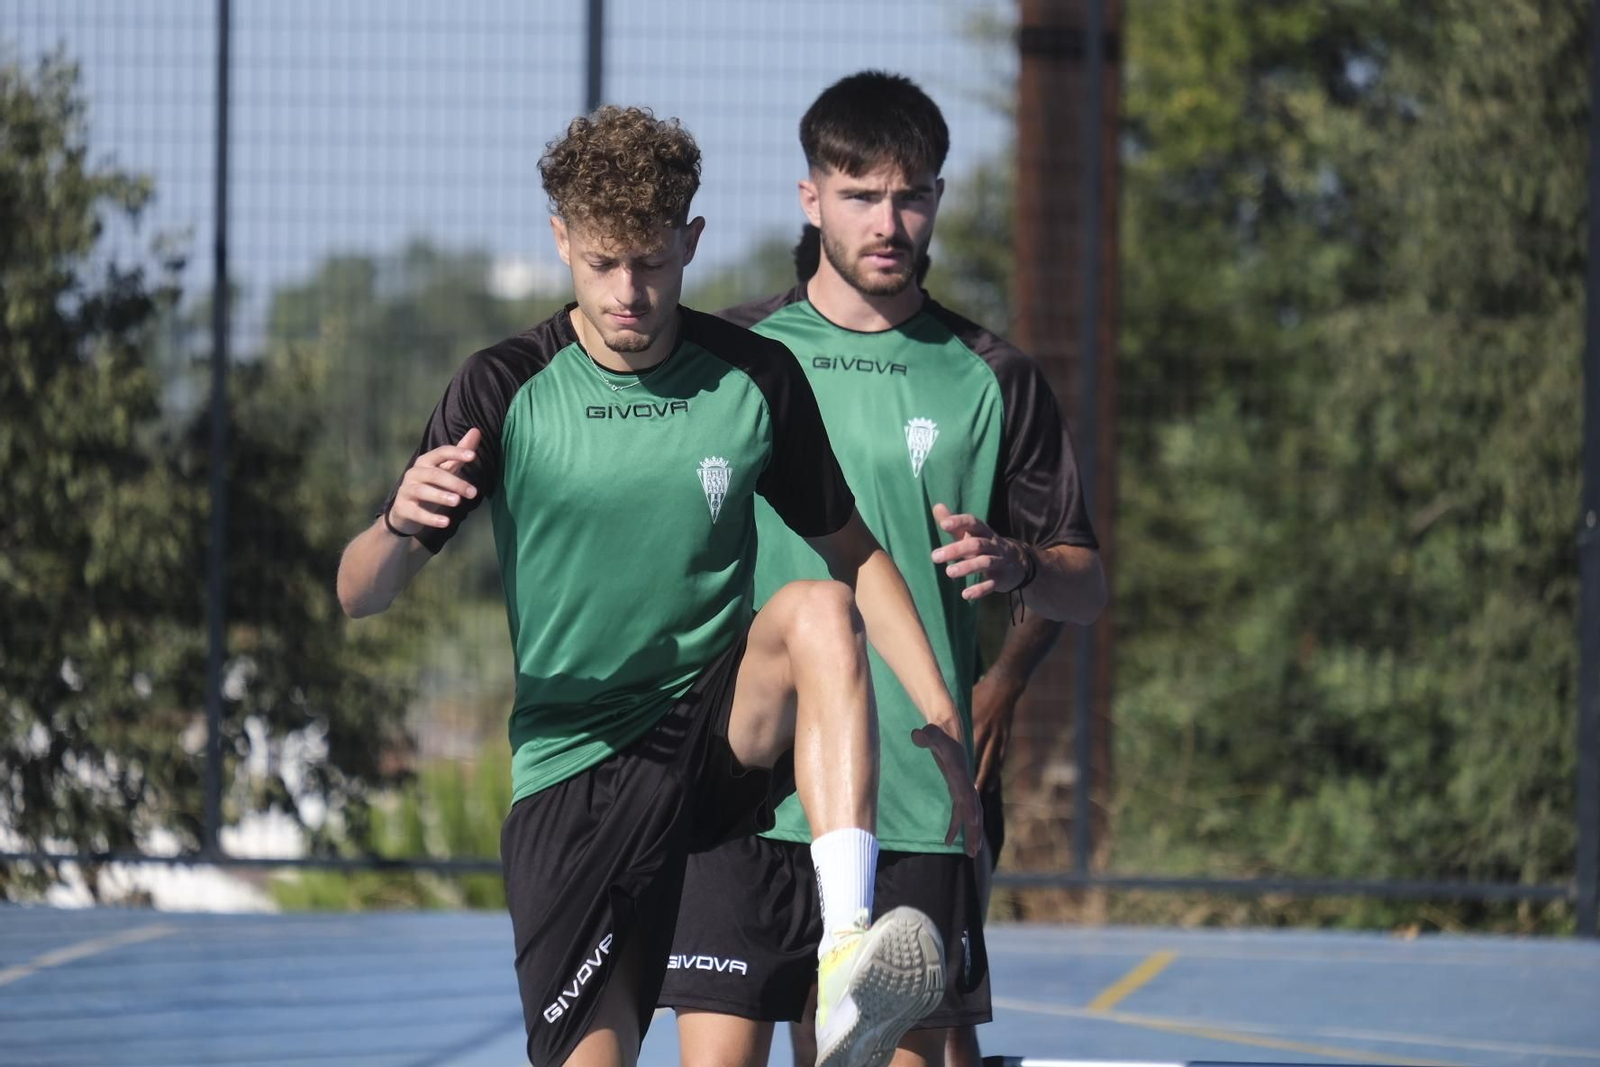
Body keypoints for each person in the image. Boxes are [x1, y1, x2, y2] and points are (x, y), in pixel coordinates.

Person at [335, 104, 981, 1067]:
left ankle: (845, 953)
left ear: (691, 240)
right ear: (561, 241)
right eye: (603, 264)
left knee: (814, 607)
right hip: (573, 770)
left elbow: (857, 553)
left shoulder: (754, 378)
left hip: (714, 734)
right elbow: (359, 593)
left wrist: (942, 718)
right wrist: (396, 522)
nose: (629, 290)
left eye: (651, 261)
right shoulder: (504, 388)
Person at [661, 72, 1106, 1067]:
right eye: (861, 194)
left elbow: (1085, 580)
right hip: (744, 787)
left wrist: (1020, 571)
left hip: (916, 792)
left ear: (938, 199)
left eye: (912, 195)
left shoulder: (991, 376)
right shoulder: (730, 357)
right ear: (810, 196)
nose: (889, 220)